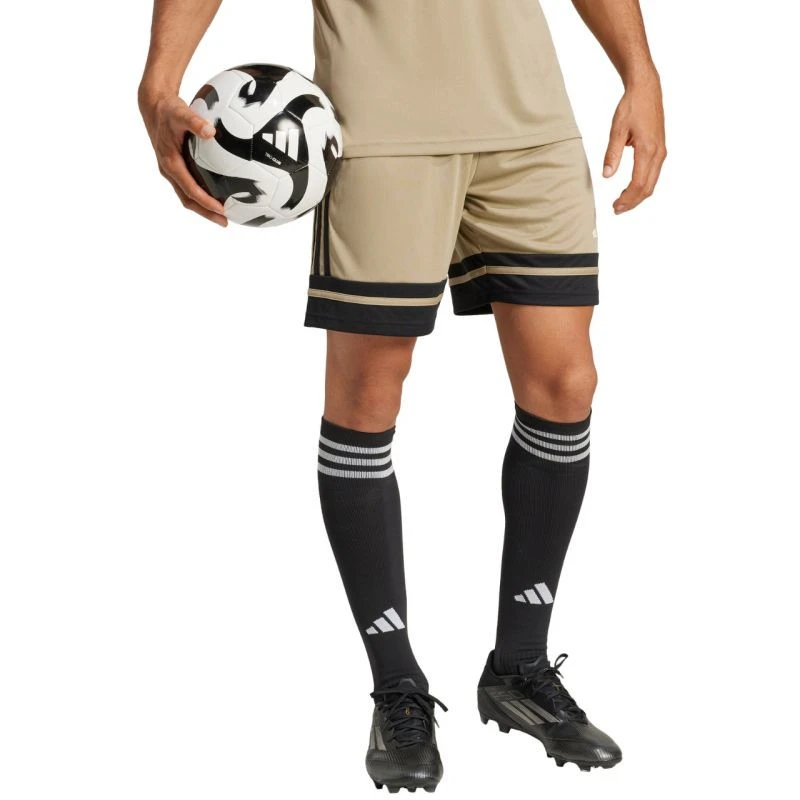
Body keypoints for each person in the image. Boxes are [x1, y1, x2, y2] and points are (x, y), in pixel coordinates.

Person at [139, 0, 666, 791]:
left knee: (566, 384)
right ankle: (397, 688)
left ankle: (519, 668)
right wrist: (159, 81)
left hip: (530, 123)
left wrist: (640, 72)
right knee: (367, 397)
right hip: (380, 128)